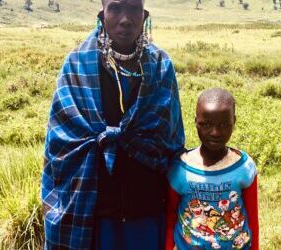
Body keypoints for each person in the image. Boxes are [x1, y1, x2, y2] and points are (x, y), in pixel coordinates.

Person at [41, 0, 185, 249]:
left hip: (147, 210)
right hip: (93, 212)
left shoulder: (161, 66)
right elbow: (60, 146)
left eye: (133, 8)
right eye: (116, 8)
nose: (126, 19)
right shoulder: (76, 65)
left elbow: (172, 141)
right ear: (102, 13)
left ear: (144, 13)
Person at [165, 88, 259, 250]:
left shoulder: (243, 166)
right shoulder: (180, 169)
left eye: (223, 124)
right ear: (196, 121)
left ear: (234, 122)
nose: (215, 132)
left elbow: (252, 217)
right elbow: (170, 216)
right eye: (206, 124)